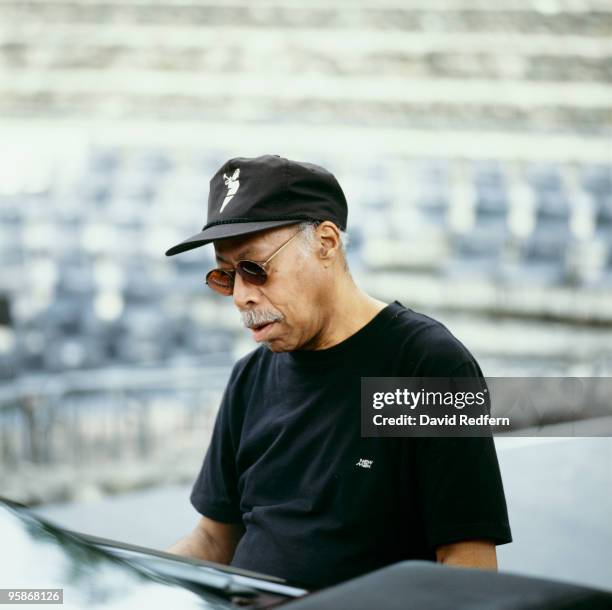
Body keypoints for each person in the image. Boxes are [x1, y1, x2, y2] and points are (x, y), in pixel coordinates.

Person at [164, 154, 512, 589]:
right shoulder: (248, 378)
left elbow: (466, 564)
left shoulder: (426, 368)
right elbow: (214, 540)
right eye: (226, 275)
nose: (240, 296)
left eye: (255, 268)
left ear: (326, 243)